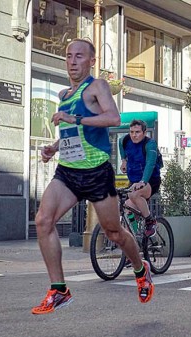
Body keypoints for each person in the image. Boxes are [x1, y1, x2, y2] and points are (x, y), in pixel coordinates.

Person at [32, 39, 154, 314]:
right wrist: (54, 147)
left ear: (91, 61)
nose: (72, 61)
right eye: (68, 56)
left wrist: (74, 119)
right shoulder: (64, 95)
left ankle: (140, 268)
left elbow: (113, 118)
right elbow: (73, 135)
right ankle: (59, 289)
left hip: (97, 171)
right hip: (69, 172)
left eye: (79, 56)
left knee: (114, 232)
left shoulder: (96, 86)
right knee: (43, 221)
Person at [119, 119, 162, 237]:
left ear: (144, 132)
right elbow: (119, 142)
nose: (134, 135)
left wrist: (143, 181)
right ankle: (133, 242)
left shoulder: (150, 144)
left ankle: (150, 221)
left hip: (150, 180)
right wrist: (124, 161)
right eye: (131, 132)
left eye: (137, 132)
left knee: (135, 194)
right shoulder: (125, 140)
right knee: (127, 210)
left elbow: (150, 164)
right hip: (134, 181)